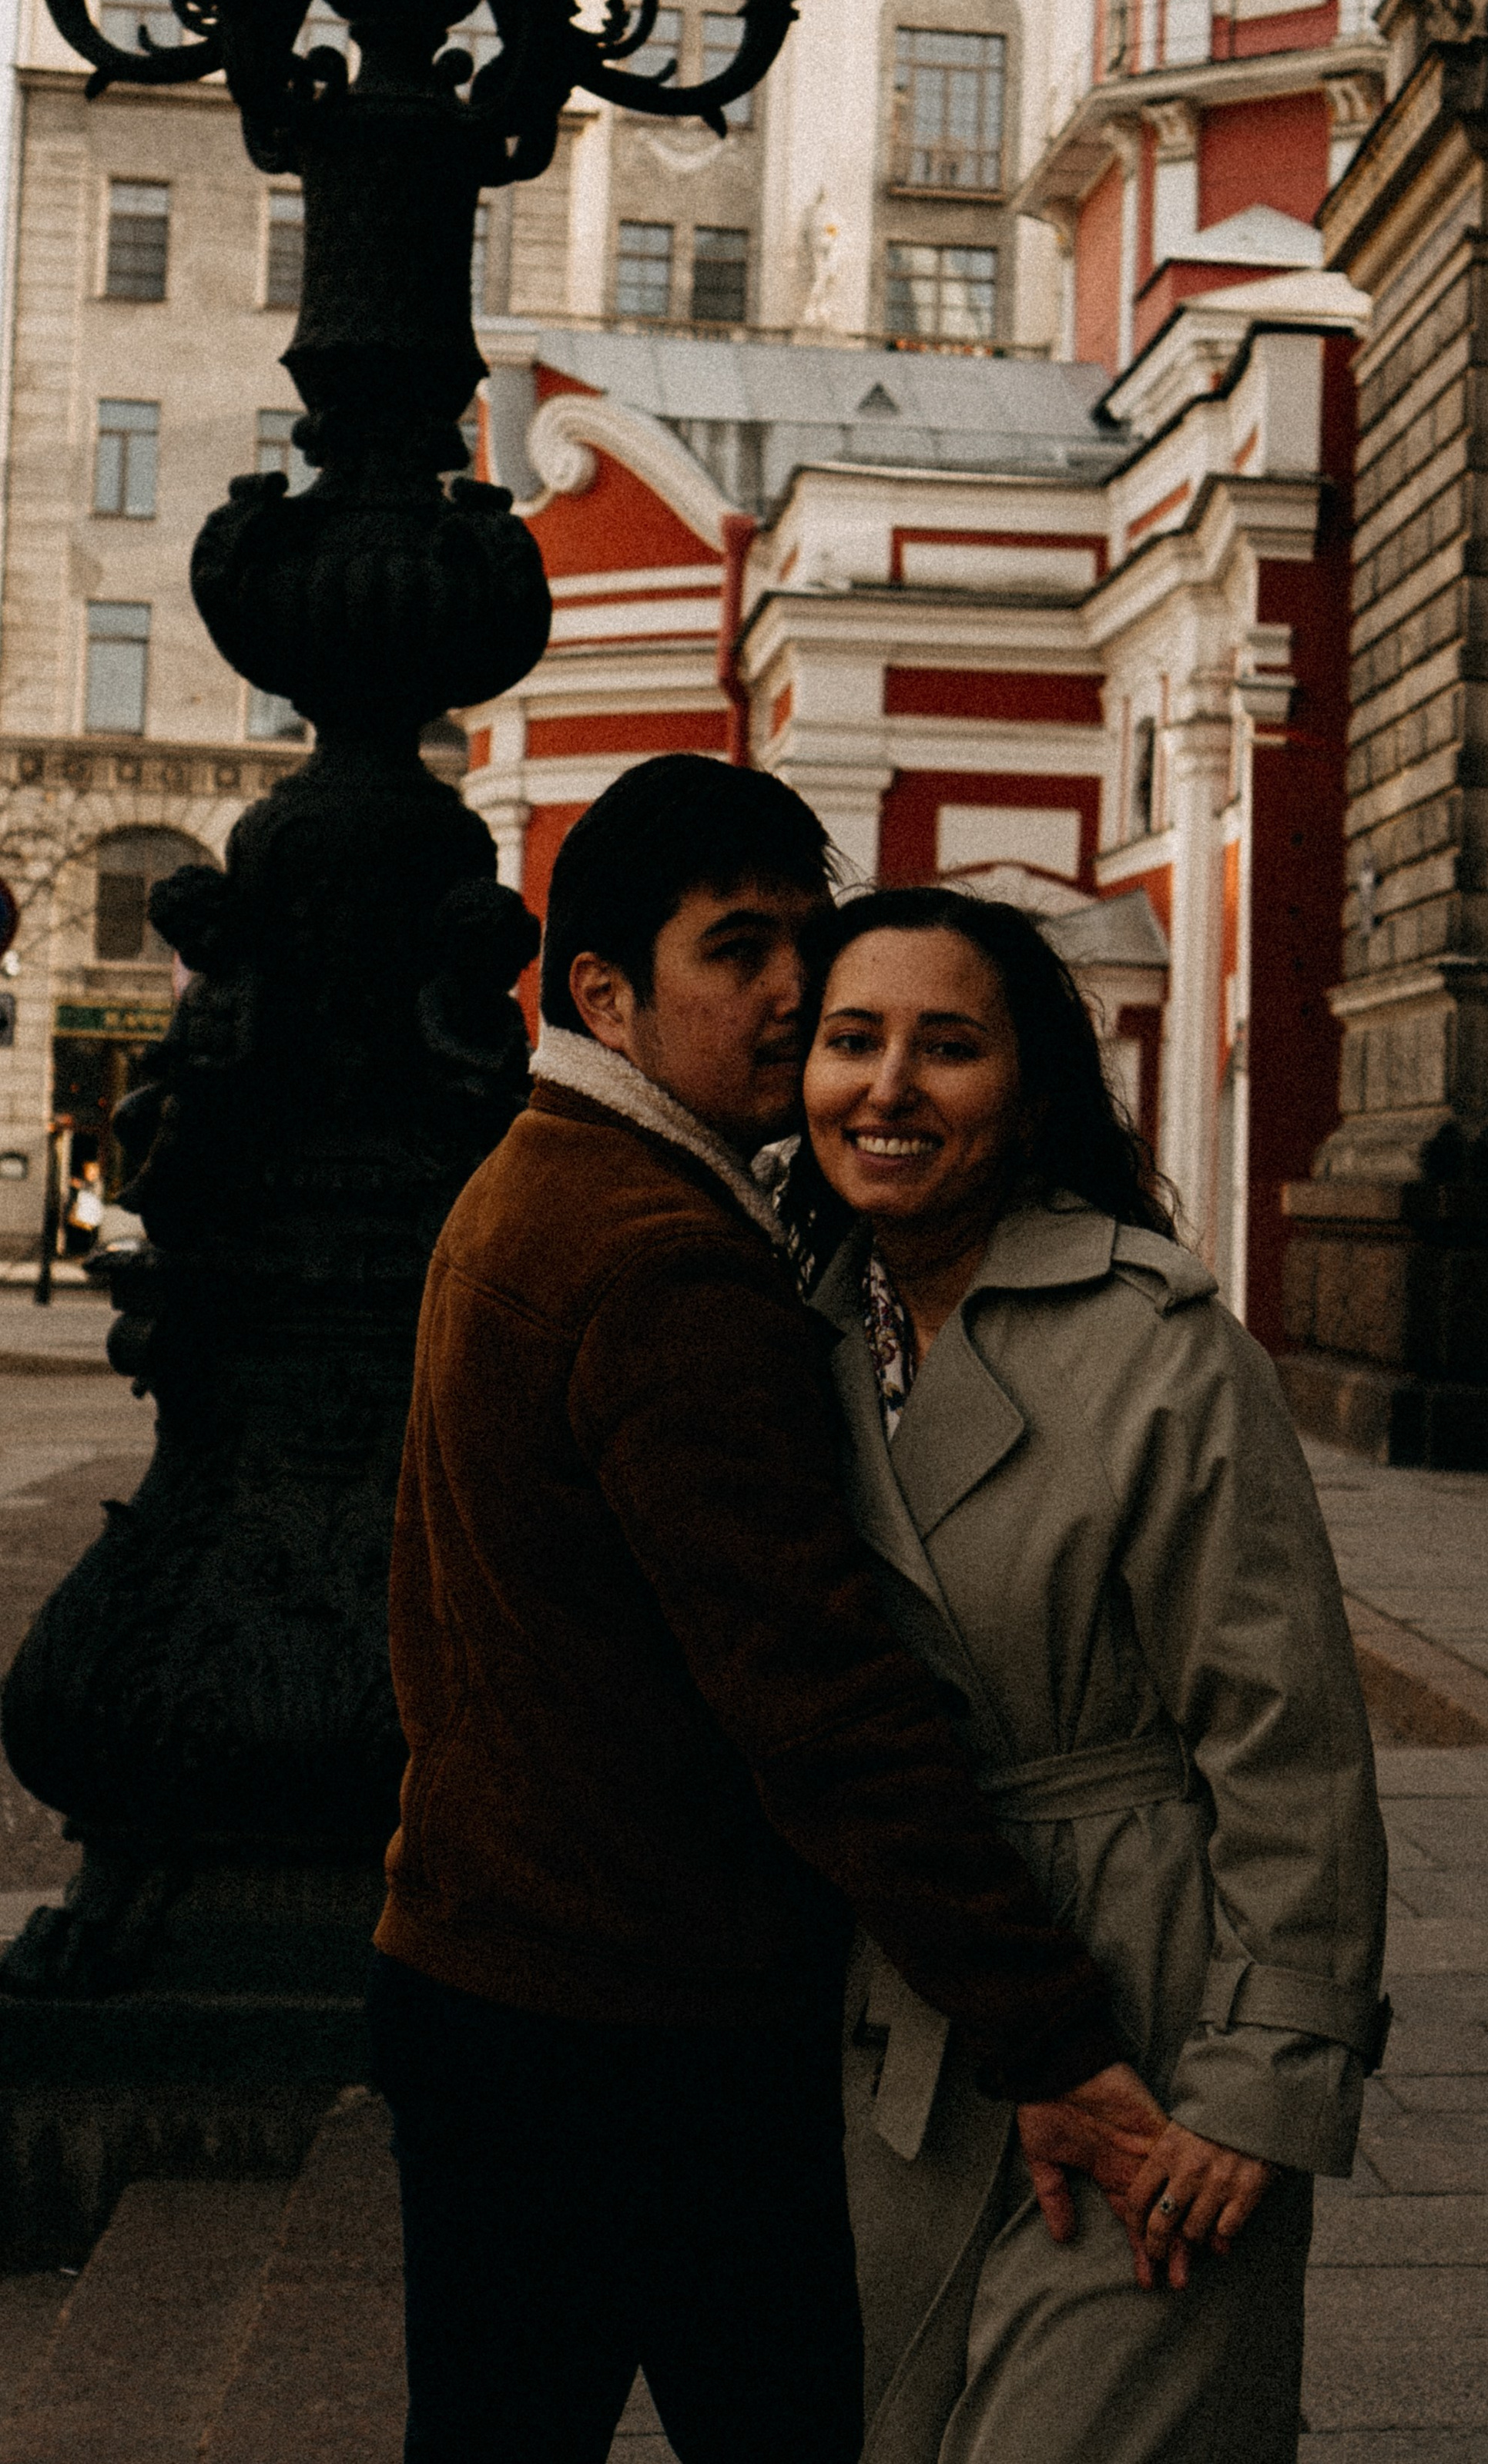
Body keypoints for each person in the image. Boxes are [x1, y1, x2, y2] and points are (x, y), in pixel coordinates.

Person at [368, 760, 1167, 2464]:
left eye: (806, 940)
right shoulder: (661, 1259)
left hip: (495, 1980)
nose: (796, 991)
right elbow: (816, 1698)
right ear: (604, 992)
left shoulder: (539, 1177)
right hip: (640, 2035)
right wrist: (1050, 2027)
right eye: (738, 950)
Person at [790, 887, 1390, 2464]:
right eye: (851, 1042)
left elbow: (1287, 1741)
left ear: (1032, 1086)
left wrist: (1263, 2076)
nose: (888, 1089)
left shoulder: (1158, 1343)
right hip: (908, 2032)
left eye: (947, 1048)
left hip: (1152, 2006)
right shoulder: (791, 1343)